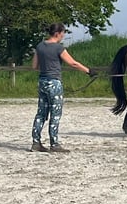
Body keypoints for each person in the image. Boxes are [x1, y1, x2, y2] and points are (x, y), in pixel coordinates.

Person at [30, 23, 97, 153]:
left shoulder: (40, 46)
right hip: (54, 83)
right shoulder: (58, 48)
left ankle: (36, 142)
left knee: (41, 113)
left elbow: (34, 66)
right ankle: (54, 144)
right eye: (63, 33)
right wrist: (88, 71)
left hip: (42, 82)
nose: (63, 35)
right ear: (57, 33)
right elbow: (72, 63)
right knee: (55, 114)